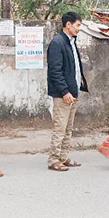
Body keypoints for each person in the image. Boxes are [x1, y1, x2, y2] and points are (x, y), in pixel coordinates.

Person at [46, 11, 88, 172]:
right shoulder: (58, 43)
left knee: (68, 128)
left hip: (73, 92)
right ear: (68, 24)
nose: (79, 28)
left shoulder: (71, 41)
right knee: (60, 128)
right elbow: (55, 71)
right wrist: (64, 91)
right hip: (63, 95)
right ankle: (53, 159)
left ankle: (63, 156)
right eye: (78, 25)